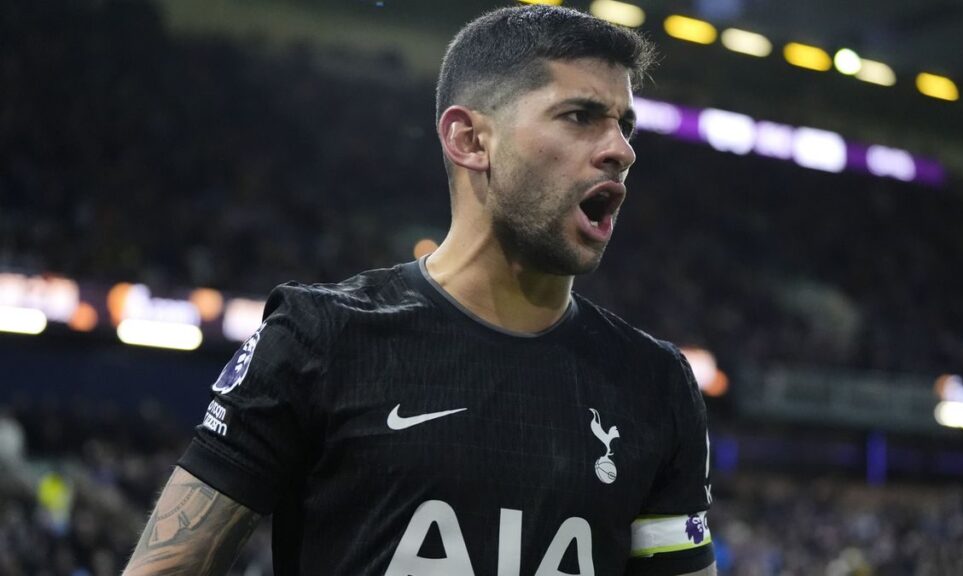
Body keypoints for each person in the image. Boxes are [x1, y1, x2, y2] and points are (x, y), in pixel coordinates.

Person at [123, 5, 715, 575]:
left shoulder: (656, 385)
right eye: (581, 116)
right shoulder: (321, 339)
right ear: (470, 140)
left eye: (624, 125)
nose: (621, 150)